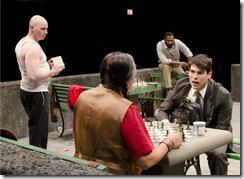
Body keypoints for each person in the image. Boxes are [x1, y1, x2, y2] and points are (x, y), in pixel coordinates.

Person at [73, 51, 182, 175]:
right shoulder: (126, 109)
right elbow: (146, 161)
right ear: (128, 80)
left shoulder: (83, 97)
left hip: (82, 169)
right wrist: (169, 142)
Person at [156, 54, 233, 175]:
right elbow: (162, 110)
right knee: (170, 151)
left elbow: (222, 128)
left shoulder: (222, 95)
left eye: (200, 73)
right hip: (185, 133)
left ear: (209, 74)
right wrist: (167, 125)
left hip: (213, 133)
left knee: (217, 155)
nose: (194, 77)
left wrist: (199, 140)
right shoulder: (182, 85)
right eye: (192, 71)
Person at [15, 15, 61, 149]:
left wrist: (46, 65)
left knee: (35, 126)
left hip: (26, 90)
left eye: (47, 29)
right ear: (31, 28)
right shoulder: (33, 48)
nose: (46, 32)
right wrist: (52, 72)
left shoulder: (21, 43)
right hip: (37, 93)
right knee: (39, 131)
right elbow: (33, 76)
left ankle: (35, 157)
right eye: (42, 29)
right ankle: (38, 161)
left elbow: (30, 68)